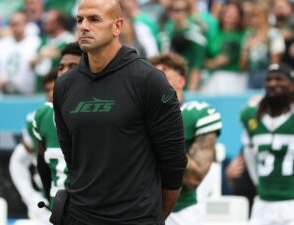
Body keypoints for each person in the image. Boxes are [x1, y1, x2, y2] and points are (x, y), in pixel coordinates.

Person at [53, 0, 187, 225]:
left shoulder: (149, 81)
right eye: (79, 20)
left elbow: (174, 164)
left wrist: (152, 216)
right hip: (79, 217)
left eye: (94, 19)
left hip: (136, 219)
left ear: (117, 26)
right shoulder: (65, 86)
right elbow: (73, 160)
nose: (84, 26)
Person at [9, 42, 82, 224]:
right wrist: (35, 197)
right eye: (61, 67)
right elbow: (28, 161)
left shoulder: (104, 113)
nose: (64, 72)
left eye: (72, 66)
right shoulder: (42, 116)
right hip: (57, 209)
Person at [149, 52, 222, 225]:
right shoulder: (138, 115)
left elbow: (195, 178)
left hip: (180, 212)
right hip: (140, 210)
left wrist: (163, 136)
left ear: (181, 81)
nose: (155, 79)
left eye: (163, 72)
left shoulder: (196, 113)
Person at [241, 62, 294, 225]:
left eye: (279, 79)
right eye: (269, 79)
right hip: (262, 203)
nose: (273, 83)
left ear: (291, 84)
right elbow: (250, 158)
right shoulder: (251, 115)